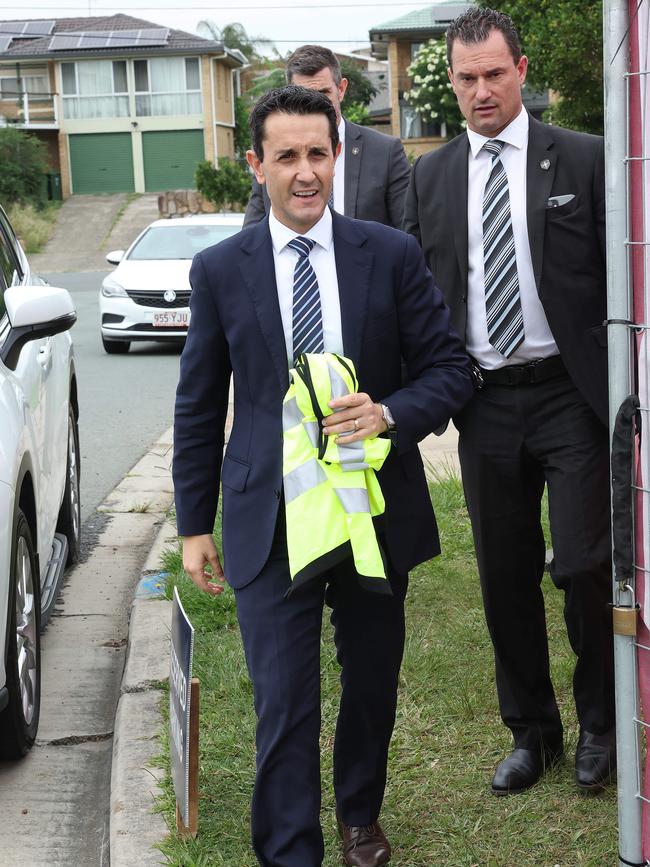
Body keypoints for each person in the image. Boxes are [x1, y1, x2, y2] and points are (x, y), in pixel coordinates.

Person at [174, 85, 473, 866]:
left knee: (372, 682)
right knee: (283, 698)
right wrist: (194, 523)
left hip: (372, 509)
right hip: (268, 517)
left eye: (318, 154)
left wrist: (389, 413)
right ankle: (288, 847)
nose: (304, 173)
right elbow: (199, 403)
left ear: (337, 156)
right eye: (286, 157)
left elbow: (449, 368)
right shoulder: (219, 269)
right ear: (256, 165)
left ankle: (359, 814)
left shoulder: (390, 254)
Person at [404, 7, 615, 796]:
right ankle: (534, 733)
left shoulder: (586, 159)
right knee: (504, 573)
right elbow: (424, 291)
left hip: (570, 393)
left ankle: (600, 723)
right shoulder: (430, 176)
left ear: (522, 71)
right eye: (466, 78)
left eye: (495, 73)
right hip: (485, 401)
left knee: (586, 562)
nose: (482, 90)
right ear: (452, 84)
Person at [243, 44, 410, 229]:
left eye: (324, 93)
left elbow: (407, 231)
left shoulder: (385, 151)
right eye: (304, 95)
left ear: (341, 89)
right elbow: (251, 237)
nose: (315, 103)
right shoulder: (273, 157)